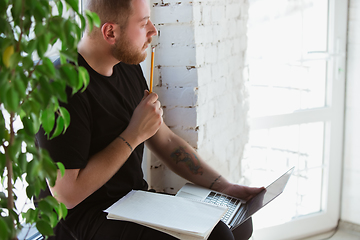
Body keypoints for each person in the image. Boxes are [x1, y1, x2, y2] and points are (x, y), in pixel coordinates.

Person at [35, 0, 264, 239]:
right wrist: (133, 134)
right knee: (218, 236)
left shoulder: (126, 66)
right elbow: (66, 195)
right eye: (144, 24)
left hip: (131, 202)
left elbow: (164, 140)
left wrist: (222, 186)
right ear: (110, 31)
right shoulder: (60, 87)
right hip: (81, 219)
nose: (153, 30)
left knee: (239, 221)